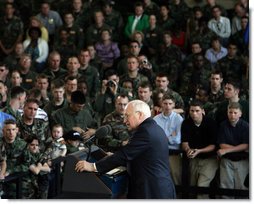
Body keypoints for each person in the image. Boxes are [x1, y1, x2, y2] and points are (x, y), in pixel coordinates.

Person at [75, 100, 176, 199]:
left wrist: (93, 166)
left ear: (139, 115)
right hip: (156, 188)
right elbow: (142, 158)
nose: (124, 121)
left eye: (127, 116)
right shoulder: (152, 127)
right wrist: (113, 157)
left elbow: (124, 155)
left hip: (152, 191)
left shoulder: (145, 131)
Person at [181, 100, 218, 198]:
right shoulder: (186, 123)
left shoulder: (211, 123)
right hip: (194, 158)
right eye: (192, 111)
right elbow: (184, 142)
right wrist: (188, 150)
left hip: (210, 159)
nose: (194, 113)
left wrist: (199, 151)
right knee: (192, 188)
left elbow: (213, 146)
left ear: (202, 111)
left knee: (202, 187)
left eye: (197, 111)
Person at [217, 102, 249, 198]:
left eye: (235, 112)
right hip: (227, 161)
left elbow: (246, 146)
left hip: (242, 161)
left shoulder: (246, 126)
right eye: (230, 112)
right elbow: (222, 145)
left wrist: (227, 150)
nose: (232, 115)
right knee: (225, 189)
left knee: (242, 189)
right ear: (227, 113)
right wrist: (238, 148)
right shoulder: (223, 125)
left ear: (240, 114)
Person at [153, 94, 184, 186]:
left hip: (174, 154)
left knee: (176, 179)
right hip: (159, 155)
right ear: (161, 104)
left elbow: (178, 139)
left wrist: (162, 138)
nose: (167, 106)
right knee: (159, 179)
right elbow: (154, 138)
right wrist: (170, 136)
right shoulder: (155, 119)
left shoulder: (178, 118)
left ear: (174, 105)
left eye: (170, 104)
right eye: (165, 103)